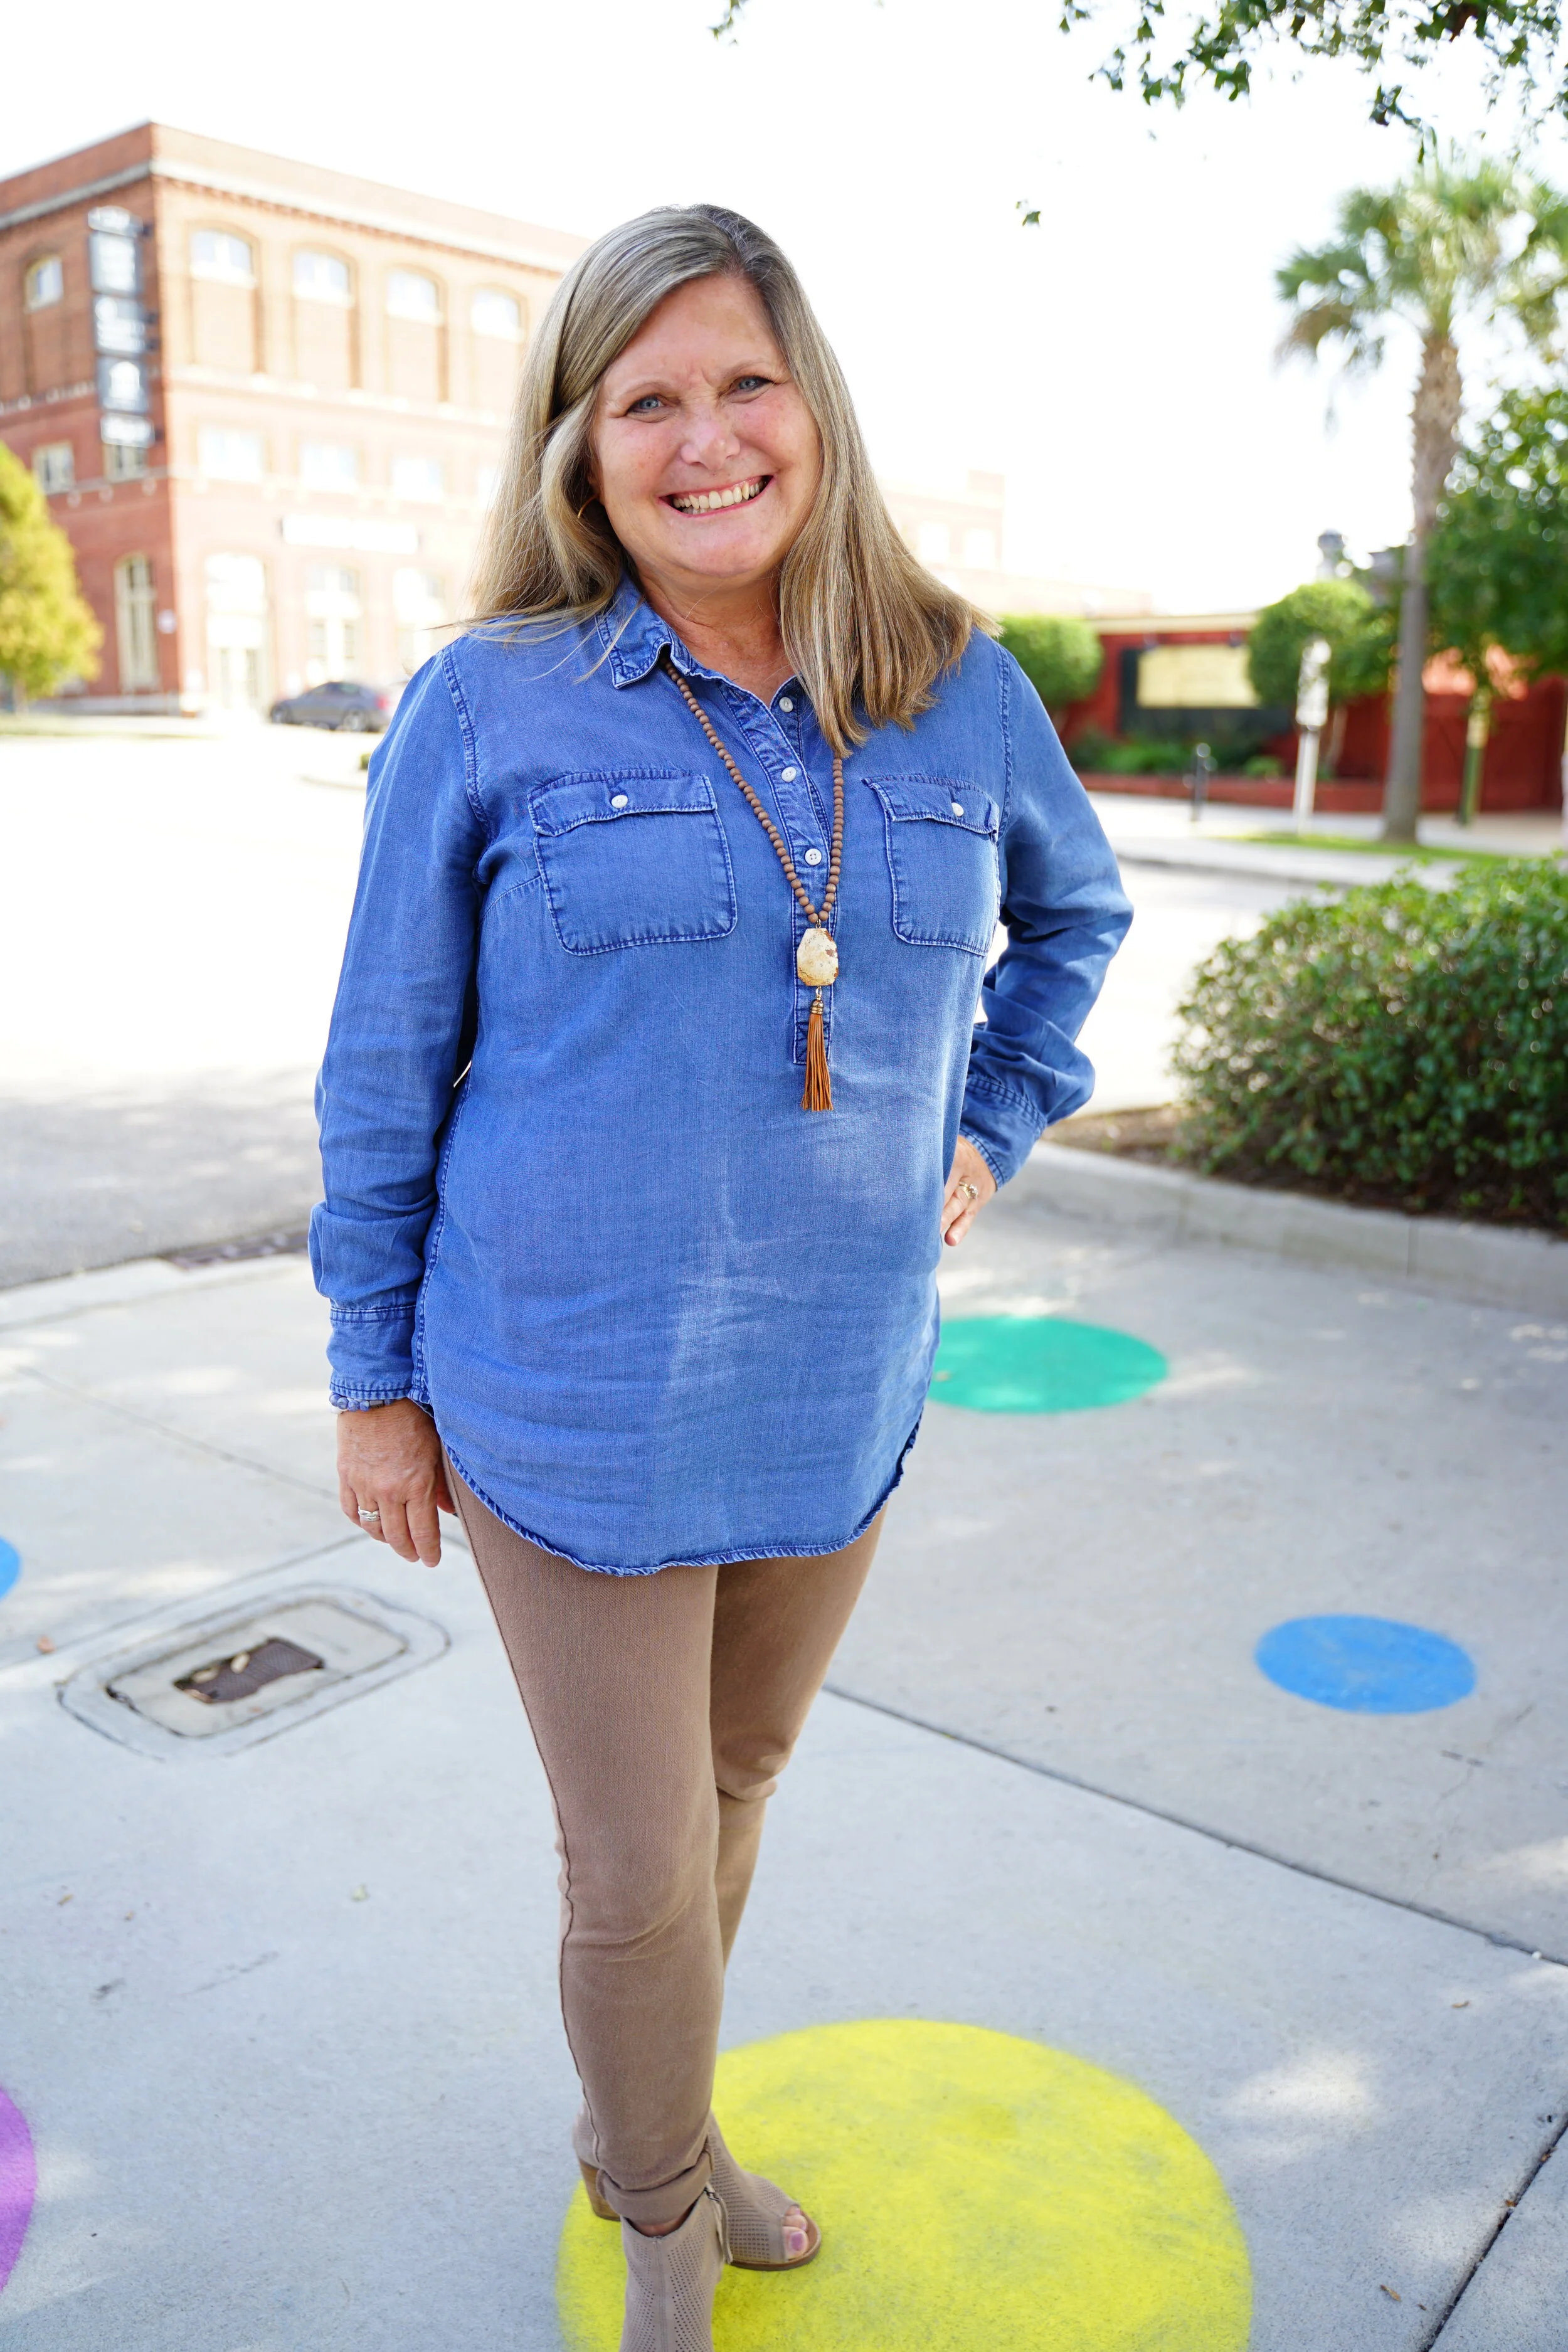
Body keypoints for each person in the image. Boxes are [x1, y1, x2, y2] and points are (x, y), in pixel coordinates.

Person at [311, 203, 1130, 2352]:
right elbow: (385, 1057)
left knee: (737, 1787)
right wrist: (373, 1373)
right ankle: (663, 2211)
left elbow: (1079, 918)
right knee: (639, 1863)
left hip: (837, 1382)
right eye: (640, 398)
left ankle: (633, 2123)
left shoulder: (953, 684)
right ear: (576, 443)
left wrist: (986, 1123)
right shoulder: (489, 703)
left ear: (812, 404)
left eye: (740, 382)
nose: (700, 439)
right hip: (562, 1390)